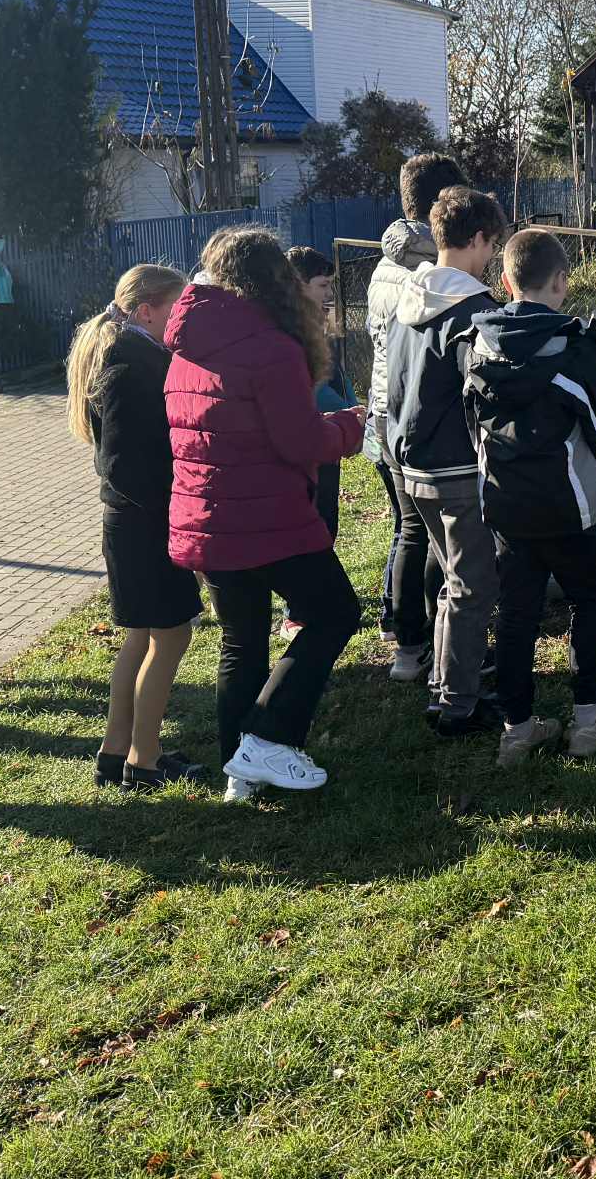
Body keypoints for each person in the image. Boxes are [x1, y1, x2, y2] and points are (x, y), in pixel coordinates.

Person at [164, 226, 364, 800]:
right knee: (333, 613)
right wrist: (352, 426)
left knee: (242, 640)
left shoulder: (185, 348)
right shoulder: (272, 347)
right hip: (269, 517)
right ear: (272, 277)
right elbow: (300, 442)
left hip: (208, 517)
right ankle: (270, 738)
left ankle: (238, 772)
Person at [458, 228, 596, 767]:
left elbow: (472, 425)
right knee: (589, 601)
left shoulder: (476, 344)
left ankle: (517, 728)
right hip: (572, 507)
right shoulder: (577, 348)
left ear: (506, 281)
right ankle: (588, 719)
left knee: (516, 613)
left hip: (506, 505)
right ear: (562, 281)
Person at [66, 264, 206, 791]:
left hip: (133, 524)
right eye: (175, 308)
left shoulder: (132, 354)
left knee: (142, 637)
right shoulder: (131, 364)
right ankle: (144, 762)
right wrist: (174, 505)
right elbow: (122, 463)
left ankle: (115, 752)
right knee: (170, 638)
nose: (182, 319)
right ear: (146, 312)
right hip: (145, 526)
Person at [384, 186, 504, 734]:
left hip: (410, 462)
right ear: (478, 238)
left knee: (454, 582)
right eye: (491, 246)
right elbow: (485, 395)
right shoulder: (473, 311)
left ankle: (444, 685)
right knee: (472, 587)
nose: (491, 259)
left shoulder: (409, 297)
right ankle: (458, 705)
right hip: (457, 468)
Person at [363, 152, 465, 679]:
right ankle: (431, 638)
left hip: (383, 414)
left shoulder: (385, 262)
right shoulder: (431, 272)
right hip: (418, 415)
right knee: (434, 532)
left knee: (409, 528)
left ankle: (405, 645)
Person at [279, 245, 358, 644]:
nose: (330, 294)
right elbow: (311, 391)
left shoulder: (316, 325)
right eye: (323, 285)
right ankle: (297, 611)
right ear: (298, 285)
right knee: (312, 522)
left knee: (326, 519)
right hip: (313, 440)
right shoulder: (289, 333)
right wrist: (350, 412)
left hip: (331, 438)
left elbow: (334, 378)